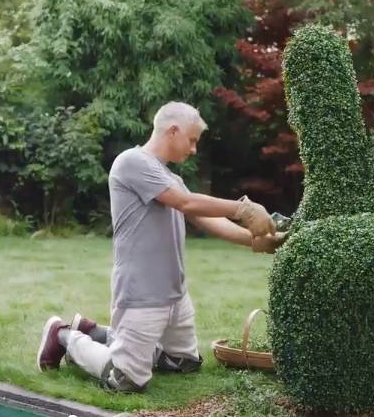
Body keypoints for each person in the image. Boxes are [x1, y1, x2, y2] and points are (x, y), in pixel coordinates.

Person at [36, 101, 286, 391]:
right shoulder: (132, 162)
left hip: (175, 294)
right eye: (191, 140)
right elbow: (185, 202)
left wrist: (258, 243)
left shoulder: (172, 178)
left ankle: (94, 331)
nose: (194, 149)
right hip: (142, 292)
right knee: (125, 380)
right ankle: (64, 335)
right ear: (173, 131)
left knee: (184, 363)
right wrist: (242, 209)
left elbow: (206, 218)